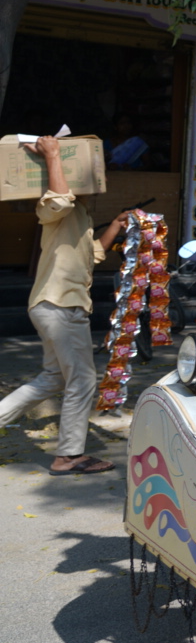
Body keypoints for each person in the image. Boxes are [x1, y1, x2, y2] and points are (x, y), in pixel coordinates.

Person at [0, 136, 128, 475]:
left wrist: (115, 226)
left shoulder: (81, 216)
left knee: (53, 379)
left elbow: (91, 256)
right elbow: (58, 200)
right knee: (82, 381)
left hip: (54, 306)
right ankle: (68, 456)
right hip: (61, 307)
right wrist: (53, 155)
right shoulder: (52, 209)